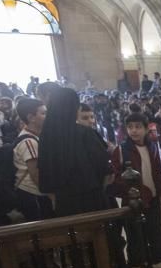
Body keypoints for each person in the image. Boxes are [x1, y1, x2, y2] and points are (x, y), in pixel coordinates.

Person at [110, 113, 161, 268]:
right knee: (135, 233)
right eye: (130, 127)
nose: (134, 131)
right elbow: (117, 175)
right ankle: (136, 263)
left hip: (152, 197)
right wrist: (132, 191)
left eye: (138, 127)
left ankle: (159, 260)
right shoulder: (121, 150)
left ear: (146, 129)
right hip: (133, 199)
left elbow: (158, 171)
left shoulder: (152, 146)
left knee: (156, 230)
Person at [38, 88, 111, 217]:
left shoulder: (46, 137)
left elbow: (44, 175)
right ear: (73, 108)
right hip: (92, 200)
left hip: (64, 204)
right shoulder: (85, 133)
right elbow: (104, 168)